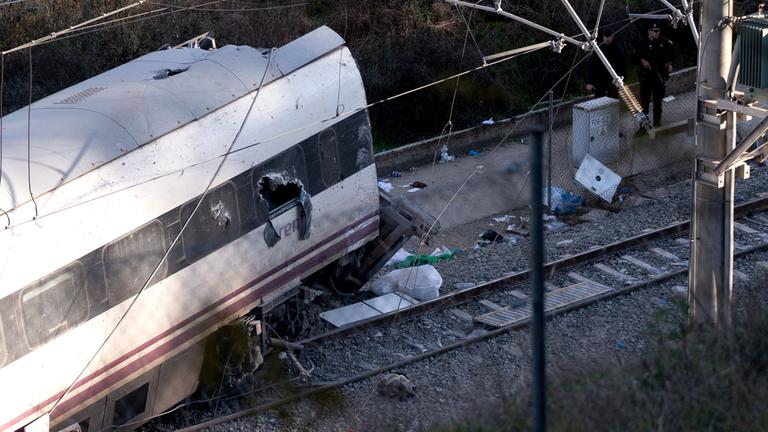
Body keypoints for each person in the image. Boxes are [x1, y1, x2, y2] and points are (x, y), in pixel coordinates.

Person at [635, 22, 676, 128]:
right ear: (649, 31)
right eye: (655, 31)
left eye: (658, 30)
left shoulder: (663, 42)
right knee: (644, 105)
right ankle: (643, 127)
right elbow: (633, 57)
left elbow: (674, 52)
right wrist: (642, 60)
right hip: (646, 77)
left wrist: (670, 63)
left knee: (658, 104)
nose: (657, 32)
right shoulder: (641, 43)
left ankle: (658, 126)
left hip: (659, 76)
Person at [586, 28, 626, 99]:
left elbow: (622, 64)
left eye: (609, 37)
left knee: (613, 100)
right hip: (599, 80)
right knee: (599, 101)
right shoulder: (598, 48)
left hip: (613, 79)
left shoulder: (617, 48)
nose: (607, 39)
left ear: (613, 37)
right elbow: (591, 65)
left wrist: (621, 75)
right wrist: (589, 82)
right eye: (605, 36)